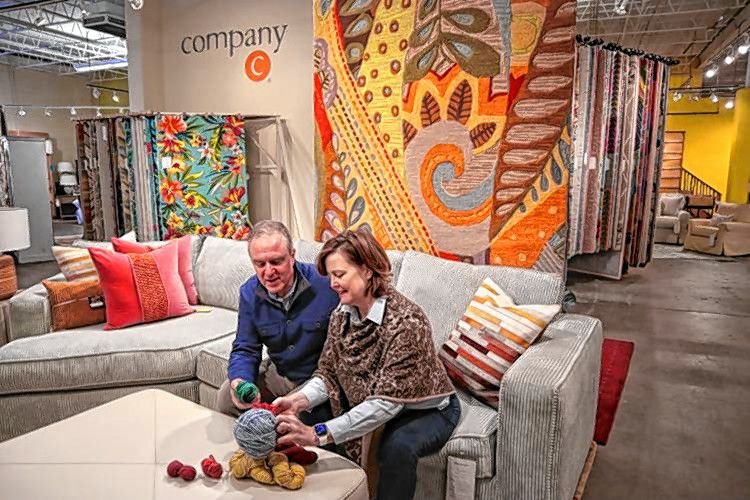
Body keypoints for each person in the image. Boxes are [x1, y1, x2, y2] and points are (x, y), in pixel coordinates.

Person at [272, 229, 461, 500]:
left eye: (340, 275)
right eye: (331, 277)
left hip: (423, 410)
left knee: (397, 447)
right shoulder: (342, 313)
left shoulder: (407, 322)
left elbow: (385, 404)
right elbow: (328, 373)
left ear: (368, 270)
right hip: (376, 398)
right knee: (310, 414)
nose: (333, 284)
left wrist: (318, 434)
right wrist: (299, 401)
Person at [216, 220, 339, 425]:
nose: (268, 272)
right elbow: (245, 348)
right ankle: (254, 447)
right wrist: (240, 380)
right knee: (225, 398)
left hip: (319, 380)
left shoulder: (327, 284)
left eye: (276, 261)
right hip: (280, 373)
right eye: (260, 264)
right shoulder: (249, 293)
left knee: (289, 419)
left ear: (292, 255)